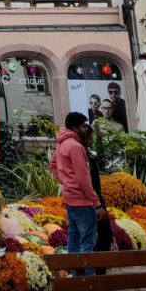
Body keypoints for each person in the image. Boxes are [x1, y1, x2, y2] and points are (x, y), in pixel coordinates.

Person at [50, 112, 100, 274]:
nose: (86, 128)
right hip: (83, 201)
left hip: (70, 199)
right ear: (74, 127)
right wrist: (97, 203)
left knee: (73, 241)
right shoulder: (75, 146)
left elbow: (53, 165)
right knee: (87, 243)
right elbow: (83, 179)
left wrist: (64, 182)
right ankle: (88, 283)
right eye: (83, 126)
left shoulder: (61, 143)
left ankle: (75, 279)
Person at [82, 123, 113, 272]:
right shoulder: (82, 156)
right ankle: (96, 273)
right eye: (90, 138)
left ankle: (99, 272)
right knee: (102, 235)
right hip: (91, 202)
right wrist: (97, 204)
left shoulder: (88, 155)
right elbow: (87, 183)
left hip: (96, 199)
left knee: (104, 235)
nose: (93, 140)